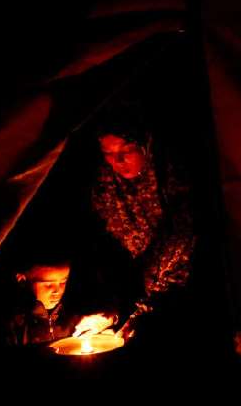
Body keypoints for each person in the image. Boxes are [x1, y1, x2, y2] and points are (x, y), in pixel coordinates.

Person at [76, 102, 198, 342]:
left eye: (126, 149)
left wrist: (129, 301)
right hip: (143, 298)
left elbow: (180, 234)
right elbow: (108, 249)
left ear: (145, 144)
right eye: (109, 154)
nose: (118, 160)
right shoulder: (105, 187)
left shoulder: (170, 172)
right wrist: (113, 311)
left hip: (188, 290)